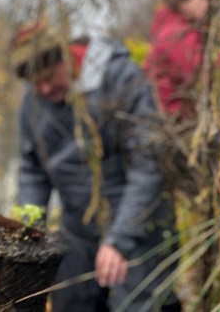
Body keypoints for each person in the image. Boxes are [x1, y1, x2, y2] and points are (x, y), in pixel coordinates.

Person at [10, 20, 181, 311]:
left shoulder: (120, 78)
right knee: (70, 302)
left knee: (139, 303)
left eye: (50, 76)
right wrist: (30, 220)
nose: (45, 88)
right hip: (77, 232)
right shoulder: (34, 100)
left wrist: (119, 240)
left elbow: (148, 163)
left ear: (67, 54)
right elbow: (33, 169)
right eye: (35, 84)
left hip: (137, 226)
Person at [143, 0, 220, 120]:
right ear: (183, 3)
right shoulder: (177, 34)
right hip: (173, 119)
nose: (209, 3)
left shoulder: (172, 28)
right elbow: (203, 77)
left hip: (170, 116)